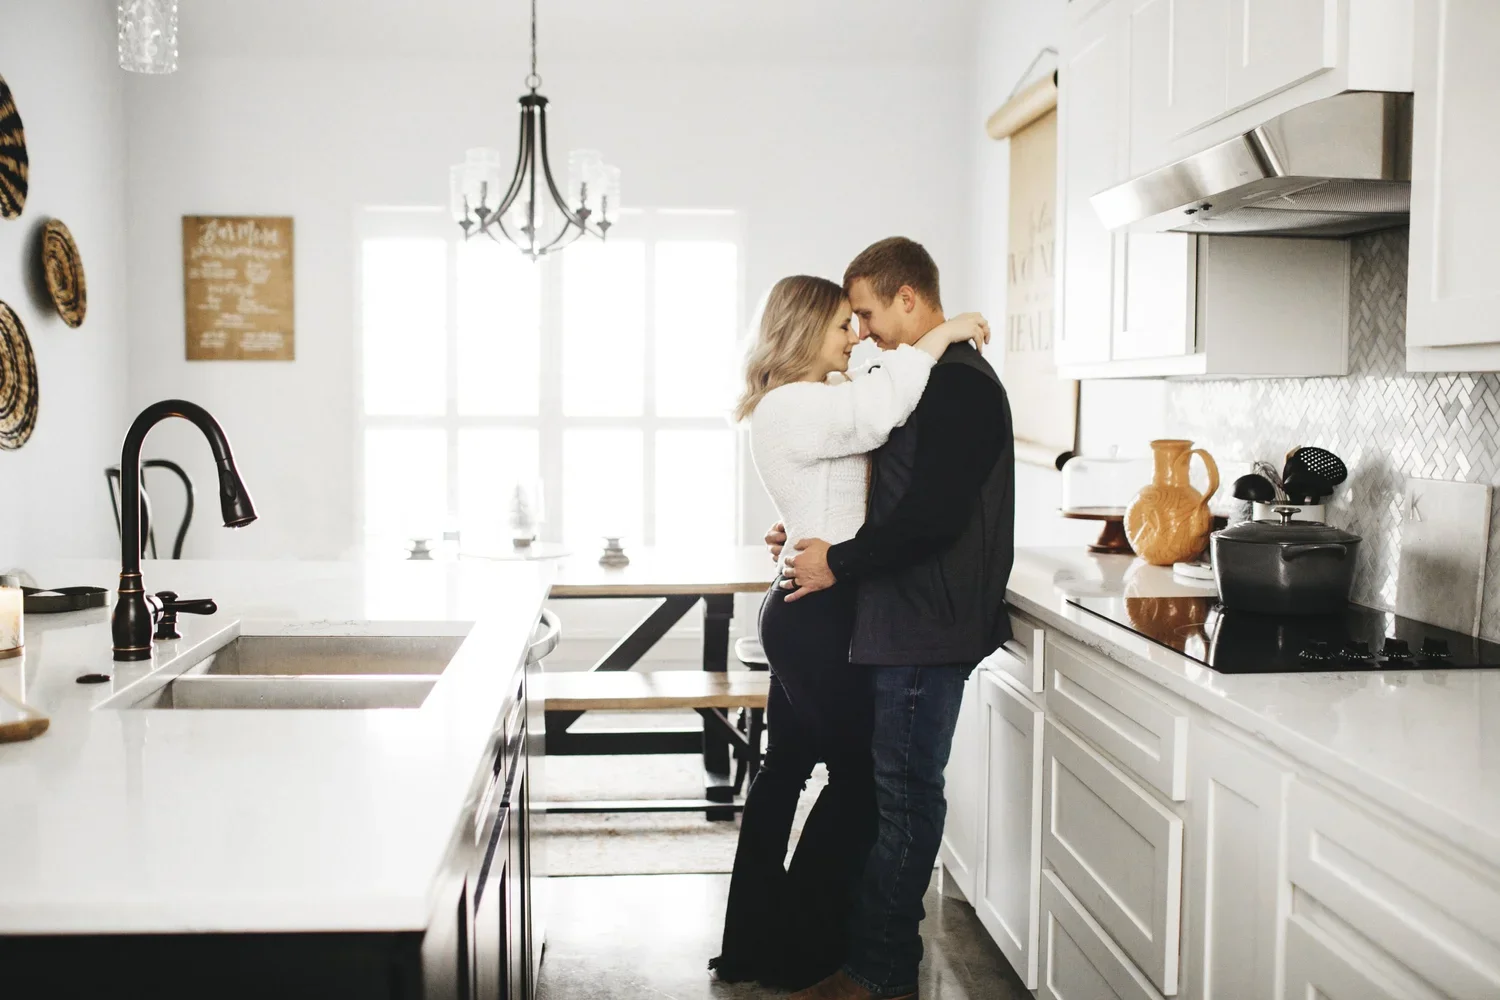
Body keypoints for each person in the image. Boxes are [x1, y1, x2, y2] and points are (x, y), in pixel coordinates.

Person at [710, 274, 989, 989]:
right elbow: (881, 410)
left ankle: (753, 942)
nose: (856, 336)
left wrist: (798, 529)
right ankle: (801, 943)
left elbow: (864, 419)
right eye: (843, 325)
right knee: (861, 778)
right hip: (818, 614)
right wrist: (943, 332)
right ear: (804, 333)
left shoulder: (806, 401)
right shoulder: (793, 404)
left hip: (808, 603)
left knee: (784, 775)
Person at [775, 237, 1016, 1000]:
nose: (866, 332)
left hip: (924, 624)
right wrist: (815, 532)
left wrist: (836, 564)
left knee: (905, 800)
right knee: (893, 797)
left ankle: (877, 975)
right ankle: (867, 961)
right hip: (906, 620)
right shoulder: (929, 378)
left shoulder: (960, 385)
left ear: (908, 298)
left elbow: (933, 519)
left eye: (870, 314)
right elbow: (893, 491)